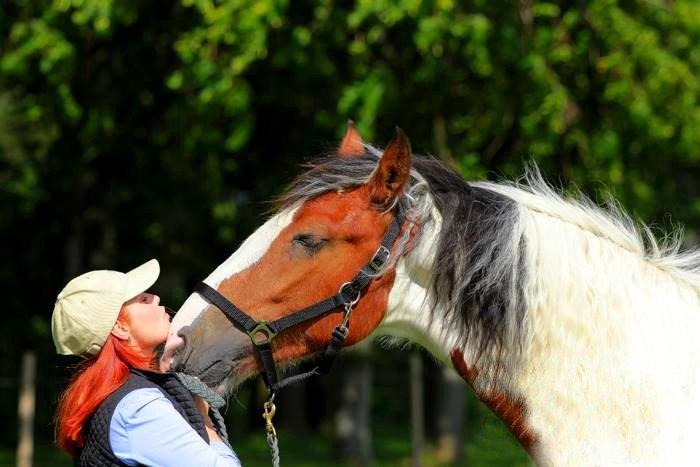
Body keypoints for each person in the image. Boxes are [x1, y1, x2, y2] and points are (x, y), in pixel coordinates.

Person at [52, 259, 240, 466]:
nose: (156, 298)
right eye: (143, 300)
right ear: (120, 328)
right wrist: (205, 419)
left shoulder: (118, 395)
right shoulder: (138, 407)